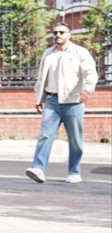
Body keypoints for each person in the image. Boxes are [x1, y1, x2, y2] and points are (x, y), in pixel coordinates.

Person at [25, 21, 97, 184]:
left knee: (75, 139)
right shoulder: (48, 54)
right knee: (45, 135)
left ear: (69, 35)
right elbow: (42, 77)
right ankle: (38, 168)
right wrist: (40, 97)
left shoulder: (80, 52)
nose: (57, 35)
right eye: (55, 32)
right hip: (52, 100)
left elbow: (90, 73)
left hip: (73, 102)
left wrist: (87, 90)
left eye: (61, 32)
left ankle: (74, 172)